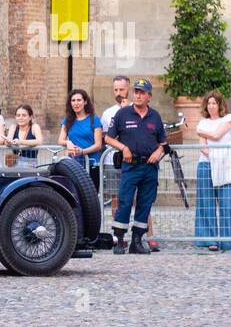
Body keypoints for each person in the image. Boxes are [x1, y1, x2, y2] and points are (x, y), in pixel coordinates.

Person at [104, 78, 165, 255]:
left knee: (145, 203)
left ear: (149, 97)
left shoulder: (155, 116)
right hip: (130, 166)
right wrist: (123, 148)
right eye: (136, 92)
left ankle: (137, 241)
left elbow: (163, 142)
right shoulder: (123, 114)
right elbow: (108, 138)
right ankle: (119, 240)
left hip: (149, 167)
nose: (138, 95)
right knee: (124, 202)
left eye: (142, 93)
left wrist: (158, 152)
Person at [193, 91, 231, 251]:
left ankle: (230, 241)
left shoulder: (228, 119)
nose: (211, 106)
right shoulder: (203, 122)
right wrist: (212, 155)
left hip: (224, 165)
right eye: (209, 103)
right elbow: (203, 146)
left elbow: (216, 135)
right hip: (206, 164)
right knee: (206, 204)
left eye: (214, 103)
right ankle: (209, 240)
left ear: (220, 105)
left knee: (227, 204)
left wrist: (201, 132)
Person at [59, 88, 104, 176]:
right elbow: (60, 140)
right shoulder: (67, 120)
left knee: (91, 190)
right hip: (74, 165)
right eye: (73, 100)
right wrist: (67, 142)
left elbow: (98, 145)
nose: (76, 103)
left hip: (92, 163)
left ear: (85, 102)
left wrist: (83, 151)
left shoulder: (94, 119)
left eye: (79, 100)